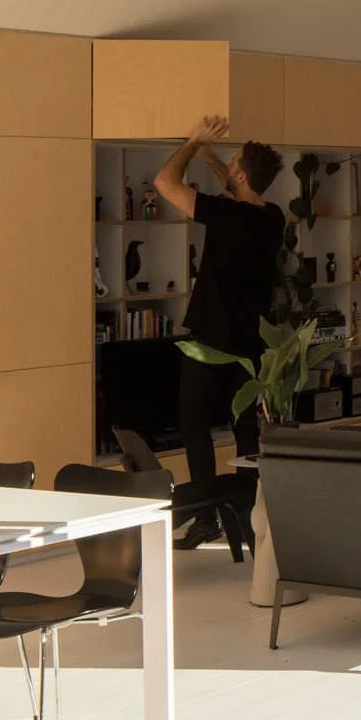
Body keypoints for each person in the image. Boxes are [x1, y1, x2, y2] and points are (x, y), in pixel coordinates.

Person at [154, 115, 285, 549]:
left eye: (232, 166)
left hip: (210, 340)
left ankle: (205, 516)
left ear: (242, 174)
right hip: (250, 345)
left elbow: (164, 181)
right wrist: (216, 160)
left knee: (194, 427)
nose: (227, 171)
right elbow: (239, 194)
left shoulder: (226, 215)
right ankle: (251, 519)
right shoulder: (272, 218)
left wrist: (192, 143)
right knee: (245, 430)